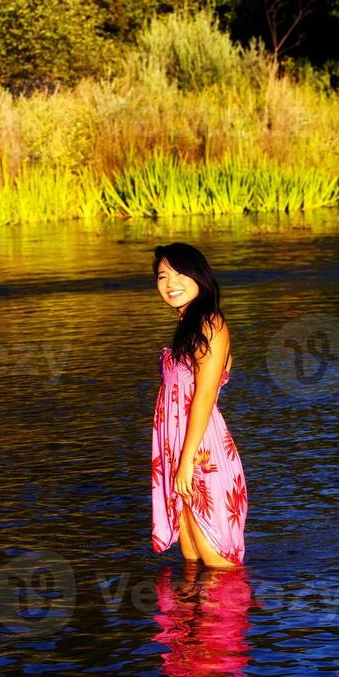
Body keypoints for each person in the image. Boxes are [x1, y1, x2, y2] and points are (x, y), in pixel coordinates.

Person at [151, 242, 248, 568]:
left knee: (218, 564)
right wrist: (177, 458)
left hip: (201, 452)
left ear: (200, 276)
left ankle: (235, 616)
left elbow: (204, 396)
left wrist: (186, 460)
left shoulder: (210, 323)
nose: (171, 283)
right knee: (192, 561)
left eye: (180, 274)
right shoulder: (188, 326)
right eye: (163, 276)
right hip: (180, 450)